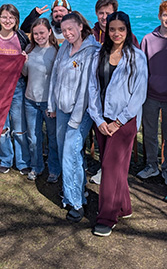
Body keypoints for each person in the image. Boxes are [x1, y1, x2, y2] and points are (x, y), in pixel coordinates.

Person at [87, 11, 148, 237]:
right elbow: (92, 88)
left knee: (110, 168)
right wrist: (98, 119)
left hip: (124, 123)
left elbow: (139, 94)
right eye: (112, 29)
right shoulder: (98, 55)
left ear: (127, 30)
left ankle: (107, 217)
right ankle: (124, 207)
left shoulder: (137, 57)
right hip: (102, 121)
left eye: (121, 29)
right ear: (106, 30)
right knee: (114, 167)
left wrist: (119, 121)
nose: (116, 33)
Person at [48, 12, 100, 223]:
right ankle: (79, 191)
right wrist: (52, 104)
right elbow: (55, 77)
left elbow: (88, 89)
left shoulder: (91, 52)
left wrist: (76, 118)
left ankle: (74, 203)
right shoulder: (64, 48)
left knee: (70, 153)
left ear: (80, 26)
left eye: (71, 29)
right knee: (68, 153)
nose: (68, 33)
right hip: (61, 109)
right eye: (64, 30)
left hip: (80, 112)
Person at [137, 0, 167, 186]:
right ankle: (151, 165)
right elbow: (142, 68)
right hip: (150, 95)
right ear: (159, 16)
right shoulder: (148, 39)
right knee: (149, 133)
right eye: (165, 15)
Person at [0, 4, 31, 174]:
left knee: (19, 126)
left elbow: (29, 58)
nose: (7, 20)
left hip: (17, 86)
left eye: (11, 17)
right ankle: (6, 159)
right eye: (4, 17)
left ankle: (23, 161)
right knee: (2, 127)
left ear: (16, 20)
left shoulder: (21, 37)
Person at [22, 18, 60, 182]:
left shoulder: (56, 52)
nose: (39, 36)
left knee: (52, 138)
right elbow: (25, 74)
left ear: (49, 32)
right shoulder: (29, 49)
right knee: (34, 137)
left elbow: (58, 79)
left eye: (42, 33)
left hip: (48, 103)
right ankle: (37, 166)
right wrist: (23, 62)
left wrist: (54, 105)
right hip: (30, 100)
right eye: (36, 33)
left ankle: (54, 169)